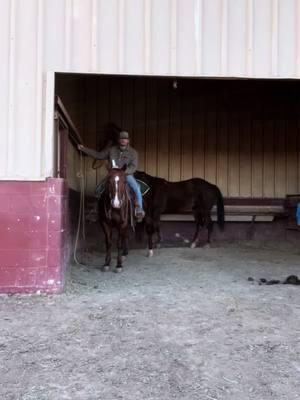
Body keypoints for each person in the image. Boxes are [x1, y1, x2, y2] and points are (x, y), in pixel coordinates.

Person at [78, 131, 145, 220]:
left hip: (126, 174)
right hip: (113, 174)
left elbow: (133, 167)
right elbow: (99, 155)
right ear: (118, 140)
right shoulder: (111, 150)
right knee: (99, 189)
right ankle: (96, 210)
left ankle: (139, 209)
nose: (123, 140)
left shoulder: (133, 153)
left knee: (136, 188)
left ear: (128, 140)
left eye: (125, 139)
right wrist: (84, 149)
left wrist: (123, 171)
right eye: (121, 139)